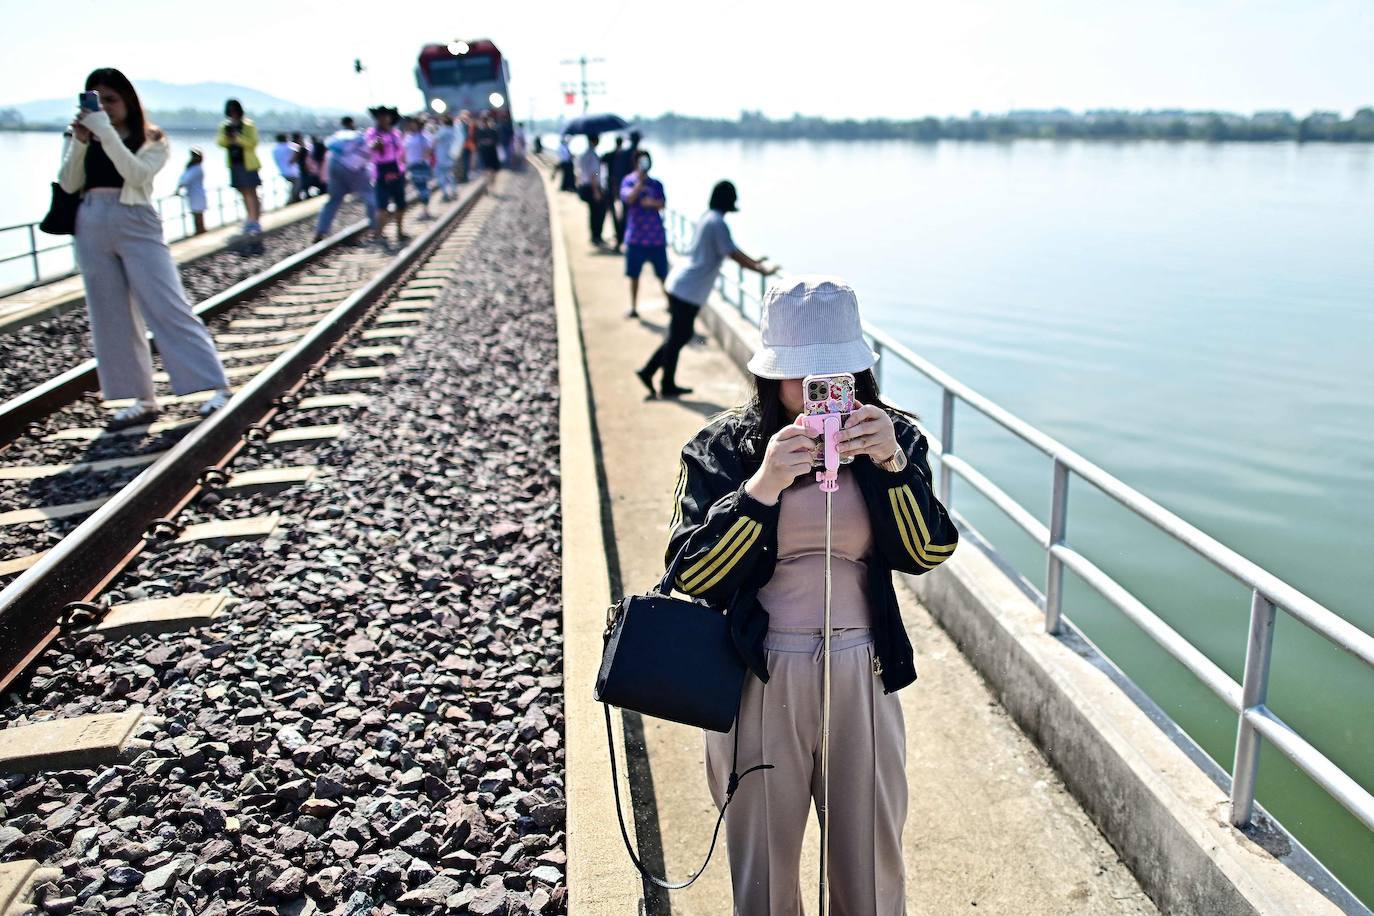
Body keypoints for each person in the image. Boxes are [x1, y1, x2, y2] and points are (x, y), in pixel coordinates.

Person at [665, 276, 958, 914]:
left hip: (863, 669)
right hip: (756, 672)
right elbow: (690, 575)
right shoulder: (727, 448)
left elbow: (928, 553)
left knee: (871, 872)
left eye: (837, 376)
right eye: (800, 377)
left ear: (860, 372)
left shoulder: (895, 440)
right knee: (764, 873)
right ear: (770, 377)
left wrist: (893, 470)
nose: (820, 395)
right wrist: (762, 487)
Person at [60, 68, 232, 429]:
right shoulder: (82, 135)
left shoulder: (151, 138)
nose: (103, 107)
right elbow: (69, 182)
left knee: (166, 303)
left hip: (136, 220)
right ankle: (141, 397)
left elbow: (136, 175)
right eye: (96, 99)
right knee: (110, 314)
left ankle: (215, 384)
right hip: (90, 221)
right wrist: (79, 140)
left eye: (110, 99)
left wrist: (105, 132)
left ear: (127, 101)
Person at [637, 181, 775, 397]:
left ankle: (657, 377)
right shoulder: (717, 222)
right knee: (679, 336)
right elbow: (732, 253)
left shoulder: (708, 217)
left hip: (681, 283)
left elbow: (732, 249)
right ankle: (656, 377)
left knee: (679, 335)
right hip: (688, 289)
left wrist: (755, 261)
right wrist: (759, 269)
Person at [619, 150, 667, 319]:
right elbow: (628, 199)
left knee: (663, 275)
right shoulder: (628, 181)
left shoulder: (656, 184)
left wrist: (650, 203)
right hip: (636, 237)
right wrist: (638, 185)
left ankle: (670, 304)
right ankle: (633, 307)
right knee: (634, 275)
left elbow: (662, 203)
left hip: (656, 237)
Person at [314, 116, 376, 242]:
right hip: (354, 169)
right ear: (352, 123)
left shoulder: (338, 136)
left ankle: (320, 231)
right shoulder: (359, 136)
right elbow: (367, 154)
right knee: (370, 196)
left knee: (333, 200)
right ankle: (375, 228)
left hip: (334, 166)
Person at [216, 99, 262, 236]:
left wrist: (239, 139)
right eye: (230, 112)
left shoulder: (249, 125)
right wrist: (228, 138)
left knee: (251, 192)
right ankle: (250, 218)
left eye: (234, 111)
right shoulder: (224, 126)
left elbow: (253, 143)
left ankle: (255, 220)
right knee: (243, 192)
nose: (233, 114)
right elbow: (220, 142)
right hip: (234, 163)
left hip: (248, 163)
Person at [366, 106, 407, 243]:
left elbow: (401, 153)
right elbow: (370, 148)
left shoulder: (395, 134)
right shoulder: (373, 133)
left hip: (397, 172)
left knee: (400, 204)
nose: (383, 119)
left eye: (386, 116)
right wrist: (376, 145)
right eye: (380, 117)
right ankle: (380, 233)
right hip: (381, 174)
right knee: (381, 206)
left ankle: (399, 231)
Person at [608, 130, 640, 250]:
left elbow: (617, 173)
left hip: (626, 191)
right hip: (628, 192)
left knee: (624, 217)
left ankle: (621, 241)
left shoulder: (624, 154)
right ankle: (621, 241)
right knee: (625, 217)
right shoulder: (633, 154)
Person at [575, 134, 605, 246]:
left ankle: (594, 236)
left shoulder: (583, 155)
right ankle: (596, 236)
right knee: (598, 212)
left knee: (593, 212)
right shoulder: (592, 156)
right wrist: (596, 191)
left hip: (584, 186)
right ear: (595, 141)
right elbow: (594, 174)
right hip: (592, 187)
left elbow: (579, 171)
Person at [403, 117, 434, 220]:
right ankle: (425, 210)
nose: (411, 126)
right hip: (412, 165)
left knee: (423, 188)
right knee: (419, 188)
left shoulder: (424, 136)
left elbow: (429, 149)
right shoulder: (408, 137)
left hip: (421, 165)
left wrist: (423, 159)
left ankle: (425, 211)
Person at [177, 147, 207, 236]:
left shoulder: (196, 168)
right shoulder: (195, 167)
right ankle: (199, 231)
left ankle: (200, 232)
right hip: (195, 194)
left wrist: (178, 189)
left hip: (196, 194)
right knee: (197, 213)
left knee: (198, 215)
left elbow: (185, 180)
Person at [433, 113, 457, 201]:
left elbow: (434, 140)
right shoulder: (453, 130)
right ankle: (454, 191)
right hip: (450, 156)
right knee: (450, 175)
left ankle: (445, 194)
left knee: (441, 176)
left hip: (441, 157)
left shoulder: (443, 130)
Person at [272, 132, 300, 203]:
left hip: (283, 172)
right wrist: (293, 160)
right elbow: (298, 150)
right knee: (298, 184)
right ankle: (292, 200)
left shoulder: (275, 149)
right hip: (293, 172)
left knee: (295, 185)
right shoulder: (290, 146)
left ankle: (292, 199)